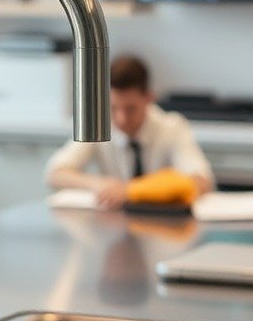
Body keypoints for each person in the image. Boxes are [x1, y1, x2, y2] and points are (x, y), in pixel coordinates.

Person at [45, 54, 214, 209]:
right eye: (113, 108)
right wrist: (101, 185)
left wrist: (132, 190)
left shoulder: (172, 127)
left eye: (130, 109)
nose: (121, 119)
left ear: (149, 97)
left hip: (166, 229)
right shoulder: (99, 125)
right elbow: (55, 174)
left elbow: (201, 182)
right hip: (114, 226)